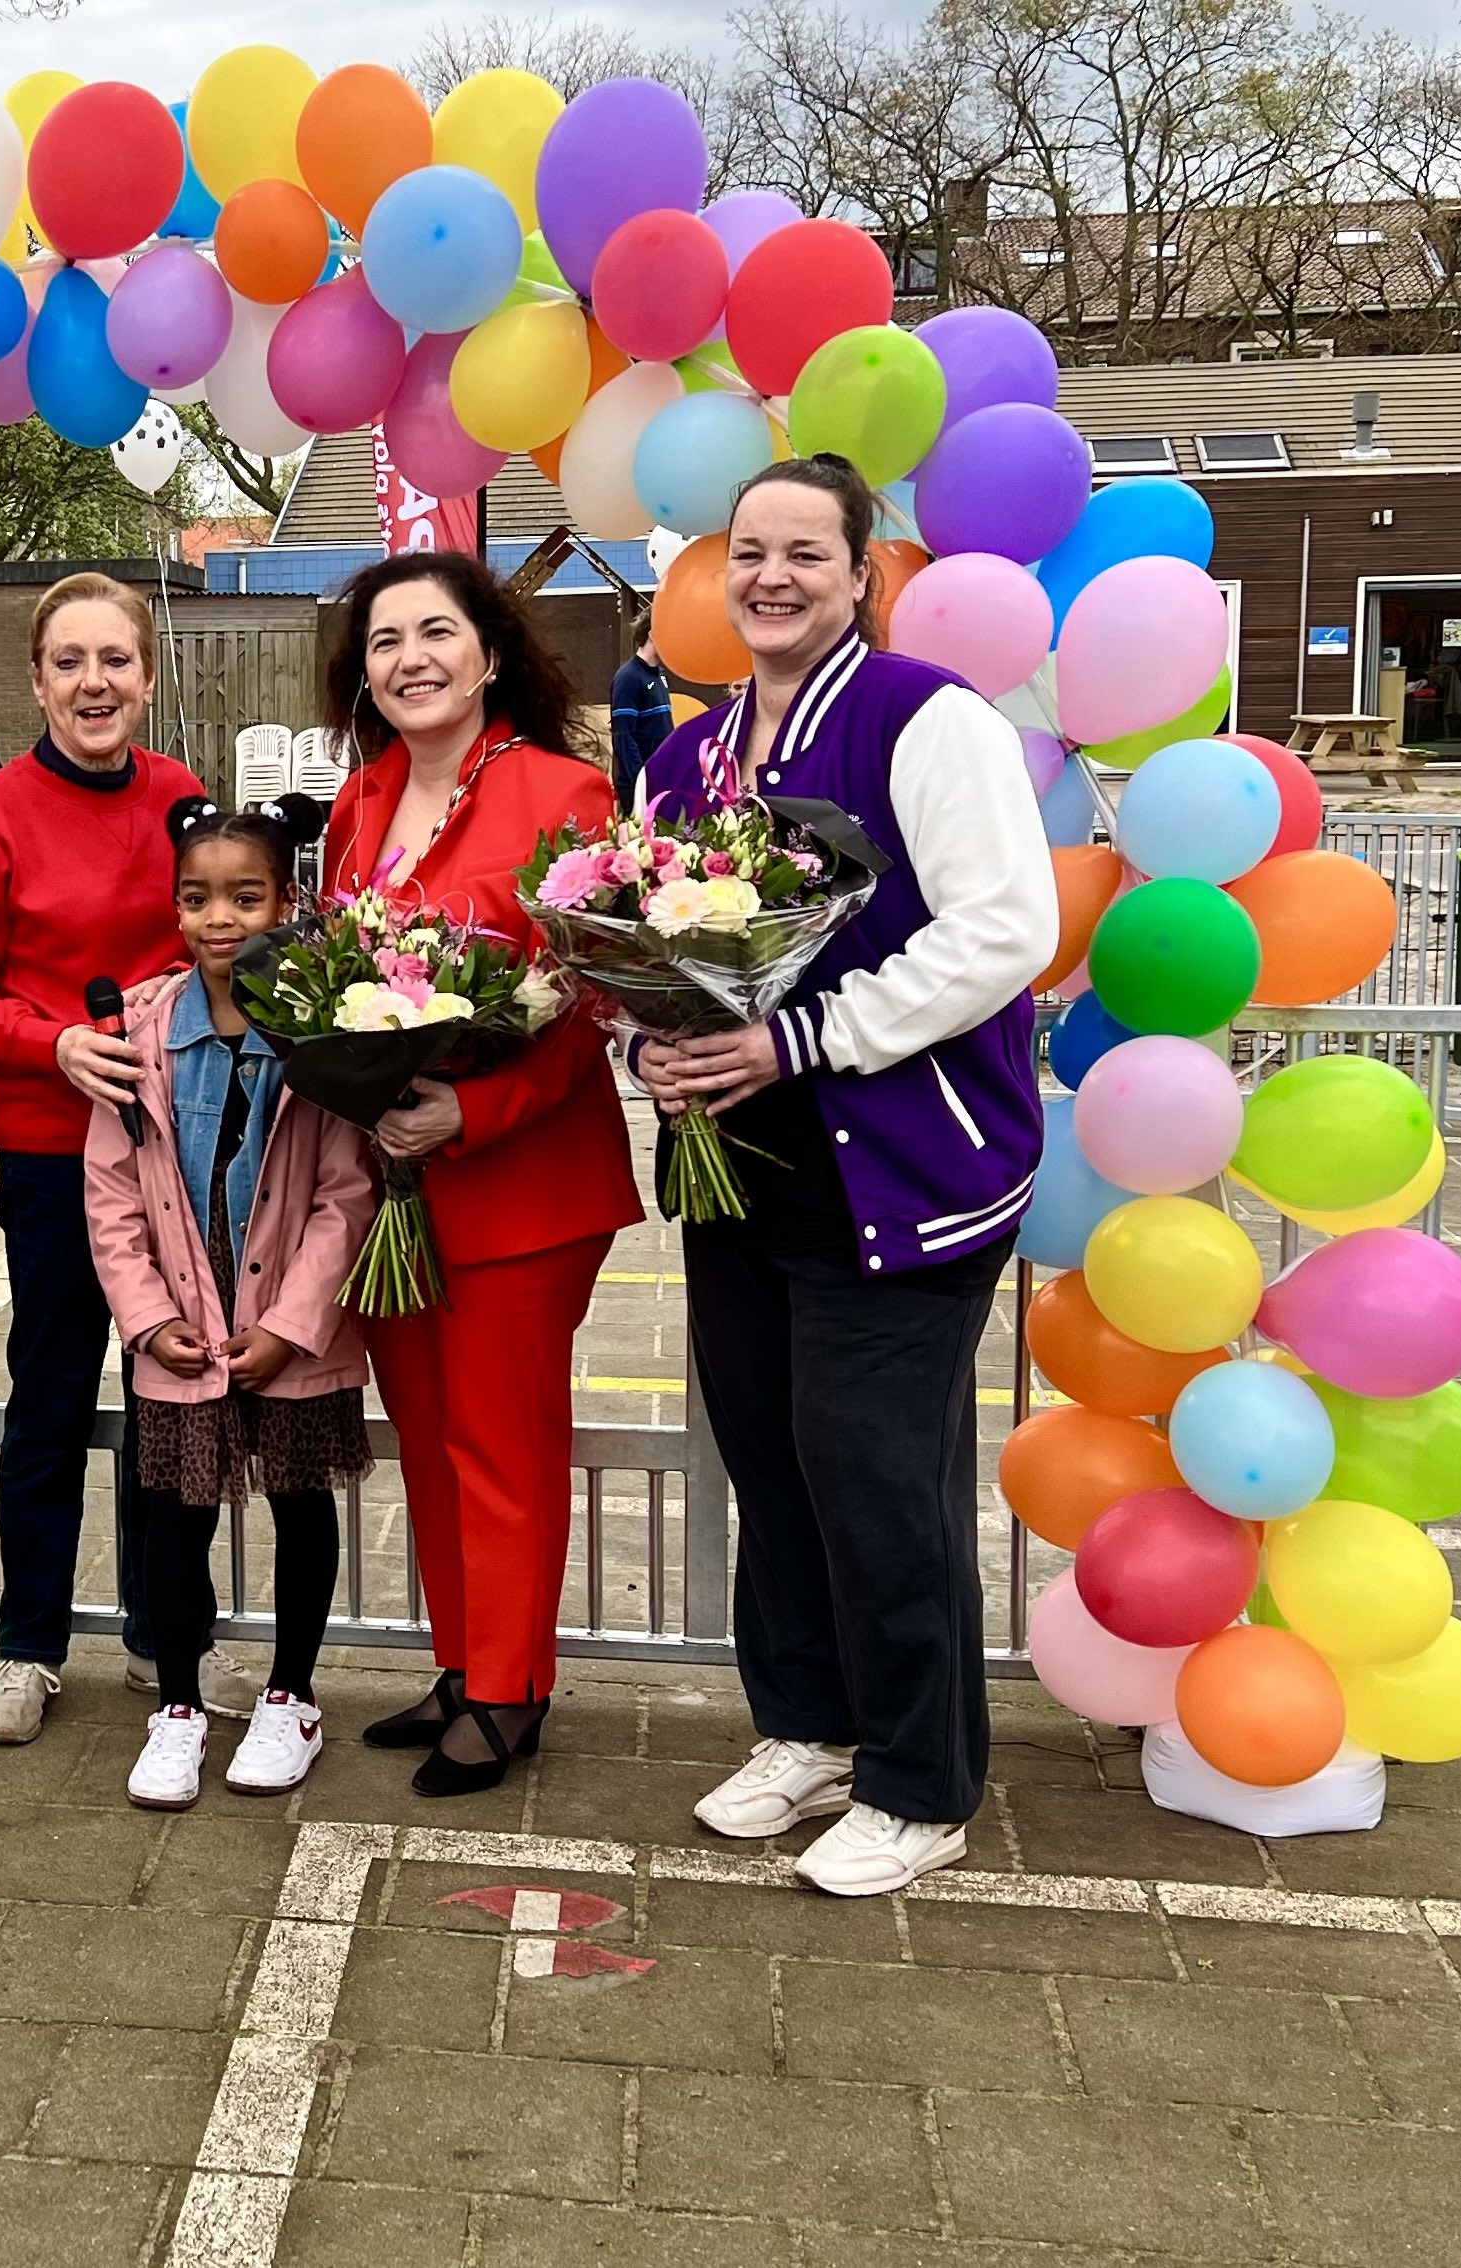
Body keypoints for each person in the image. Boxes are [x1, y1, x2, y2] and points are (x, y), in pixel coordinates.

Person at [640, 457, 1057, 1898]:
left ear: (862, 575)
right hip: (744, 1164)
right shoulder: (684, 759)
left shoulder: (926, 719)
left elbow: (1003, 931)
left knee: (879, 1476)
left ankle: (920, 1781)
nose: (771, 576)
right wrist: (659, 1037)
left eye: (803, 553)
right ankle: (807, 1726)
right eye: (749, 550)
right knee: (774, 1460)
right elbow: (667, 947)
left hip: (906, 1159)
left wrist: (800, 1037)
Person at [317, 551, 640, 1797]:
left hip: (521, 1179)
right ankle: (461, 1663)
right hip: (396, 1183)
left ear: (491, 652)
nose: (413, 658)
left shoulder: (568, 795)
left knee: (503, 1442)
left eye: (437, 631)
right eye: (387, 640)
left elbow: (591, 1000)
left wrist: (476, 1103)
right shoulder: (360, 802)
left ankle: (511, 1691)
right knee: (434, 1437)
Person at [0, 572, 231, 1744]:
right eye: (69, 662)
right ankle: (28, 1646)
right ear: (37, 678)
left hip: (178, 1149)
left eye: (115, 660)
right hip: (56, 1155)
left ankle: (171, 1642)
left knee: (179, 1394)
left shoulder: (184, 803)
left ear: (147, 678)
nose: (93, 683)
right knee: (49, 1397)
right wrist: (52, 1042)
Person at [88, 794, 373, 1809]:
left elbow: (346, 1192)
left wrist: (296, 1325)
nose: (222, 919)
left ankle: (293, 1694)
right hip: (181, 1323)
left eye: (246, 897)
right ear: (174, 908)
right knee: (172, 1518)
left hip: (288, 1326)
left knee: (301, 1504)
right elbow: (112, 1194)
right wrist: (146, 1318)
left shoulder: (322, 1023)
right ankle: (177, 1704)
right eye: (199, 898)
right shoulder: (138, 1028)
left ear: (286, 902)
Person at [609, 630, 673, 805]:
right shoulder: (627, 678)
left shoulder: (660, 675)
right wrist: (641, 782)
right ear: (652, 634)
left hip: (661, 779)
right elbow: (624, 736)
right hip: (639, 785)